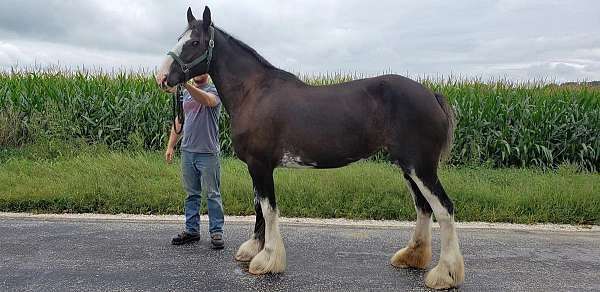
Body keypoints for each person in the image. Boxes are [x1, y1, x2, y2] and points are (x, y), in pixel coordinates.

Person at [164, 74, 225, 249]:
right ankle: (192, 230)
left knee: (212, 194)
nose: (198, 74)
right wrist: (171, 146)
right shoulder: (186, 93)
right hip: (188, 151)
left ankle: (216, 232)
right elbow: (180, 120)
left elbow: (207, 100)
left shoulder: (214, 89)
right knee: (191, 194)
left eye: (201, 71)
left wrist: (186, 85)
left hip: (208, 152)